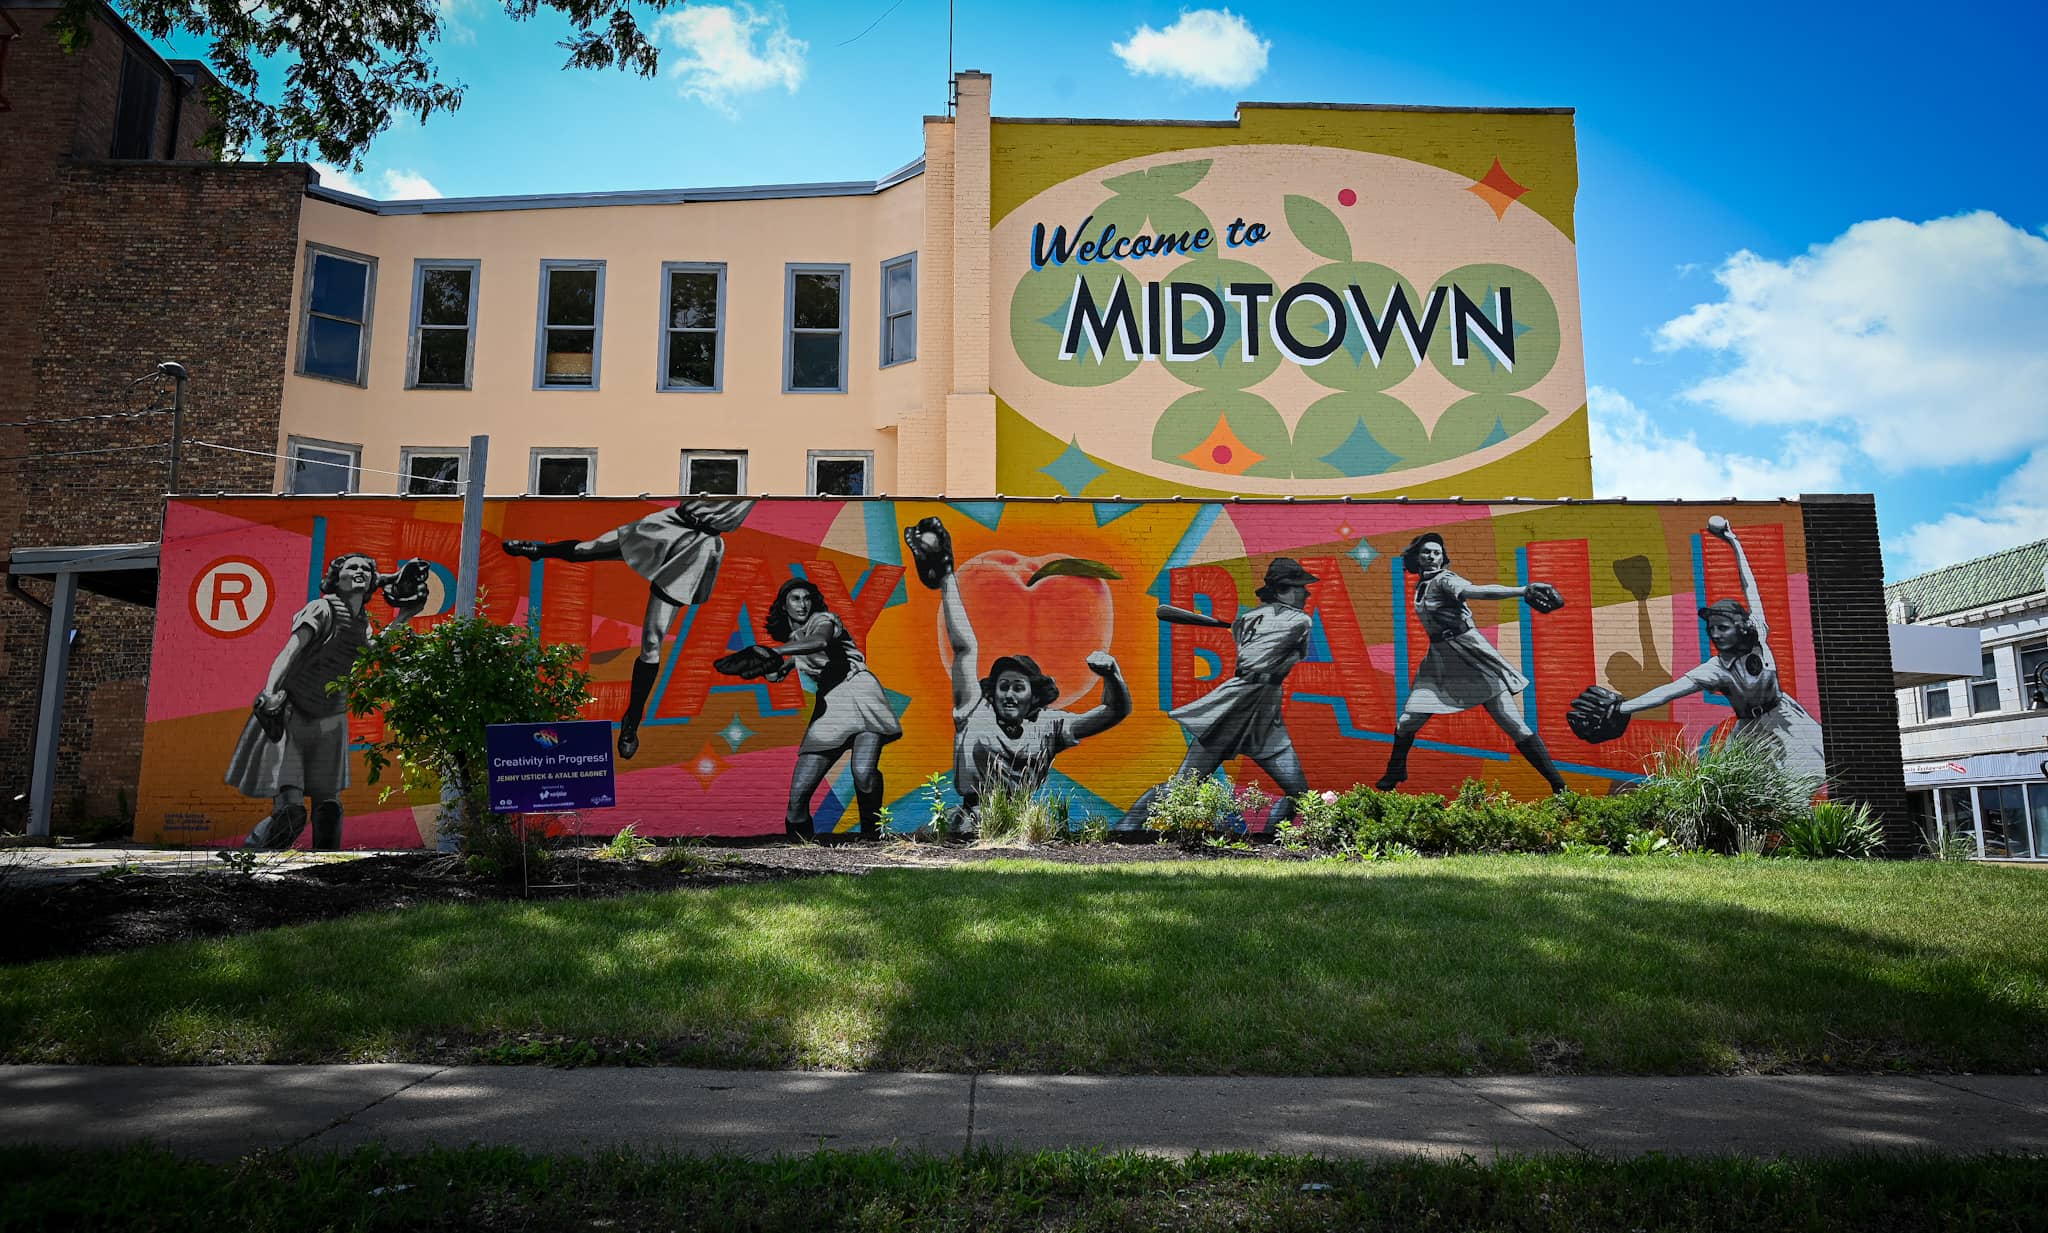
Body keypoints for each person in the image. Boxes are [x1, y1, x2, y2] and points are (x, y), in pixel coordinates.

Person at [904, 518, 1131, 823]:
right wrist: (947, 579)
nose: (1009, 693)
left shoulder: (1049, 727)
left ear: (1032, 695)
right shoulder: (973, 710)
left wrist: (1112, 675)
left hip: (1022, 822)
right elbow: (964, 649)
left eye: (1018, 687)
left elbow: (1112, 712)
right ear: (993, 692)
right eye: (1003, 686)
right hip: (971, 822)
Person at [502, 498, 756, 759]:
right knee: (589, 548)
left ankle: (632, 721)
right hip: (673, 522)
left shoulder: (757, 472)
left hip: (699, 547)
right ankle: (538, 551)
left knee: (652, 642)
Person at [1595, 518, 1825, 778]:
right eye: (1711, 629)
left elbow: (1750, 586)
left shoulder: (1758, 633)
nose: (1715, 634)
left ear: (1741, 626)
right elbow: (1668, 692)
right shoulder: (1715, 669)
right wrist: (1622, 709)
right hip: (1748, 728)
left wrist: (1733, 541)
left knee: (1804, 777)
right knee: (1722, 783)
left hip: (1784, 716)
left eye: (1722, 627)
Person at [228, 553, 428, 850]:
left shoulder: (361, 622)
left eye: (365, 568)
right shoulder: (321, 608)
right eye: (352, 567)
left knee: (329, 810)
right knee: (291, 811)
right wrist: (269, 693)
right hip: (293, 713)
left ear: (372, 581)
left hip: (330, 719)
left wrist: (404, 616)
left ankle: (328, 875)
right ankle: (253, 860)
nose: (359, 571)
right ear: (337, 578)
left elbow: (375, 651)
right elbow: (289, 652)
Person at [1122, 557, 1320, 830]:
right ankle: (1126, 826)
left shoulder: (1260, 620)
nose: (1306, 592)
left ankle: (1273, 837)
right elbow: (1255, 658)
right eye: (1300, 587)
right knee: (1184, 785)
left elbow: (1283, 654)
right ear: (1285, 587)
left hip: (1264, 715)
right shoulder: (1296, 620)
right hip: (1235, 705)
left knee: (1299, 793)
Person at [1374, 532, 1572, 795]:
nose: (1432, 556)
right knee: (1408, 719)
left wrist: (1522, 590)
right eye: (1426, 552)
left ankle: (1558, 785)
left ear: (1443, 557)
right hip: (1440, 660)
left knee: (1512, 723)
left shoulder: (1446, 580)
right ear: (1417, 557)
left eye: (1437, 552)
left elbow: (1476, 591)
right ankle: (1396, 769)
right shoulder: (1421, 584)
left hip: (1469, 653)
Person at [724, 577, 902, 839]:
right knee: (798, 797)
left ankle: (871, 838)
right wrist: (759, 668)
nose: (802, 604)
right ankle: (800, 852)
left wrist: (775, 651)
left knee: (863, 772)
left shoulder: (824, 620)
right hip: (830, 706)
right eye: (795, 599)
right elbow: (778, 673)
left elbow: (819, 642)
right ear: (784, 606)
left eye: (806, 598)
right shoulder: (795, 641)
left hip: (859, 691)